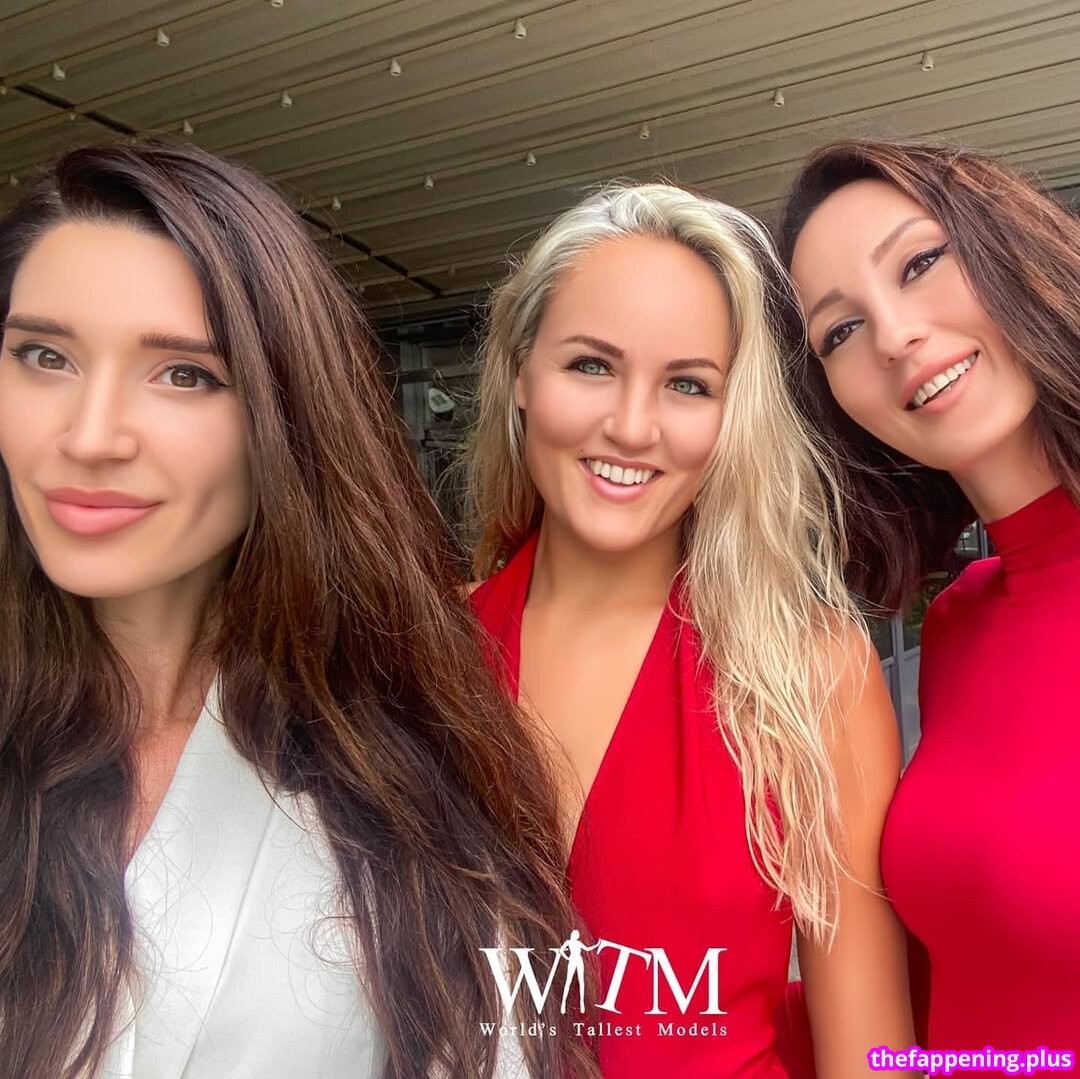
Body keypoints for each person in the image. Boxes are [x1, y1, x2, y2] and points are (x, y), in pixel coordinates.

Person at [0, 141, 599, 1079]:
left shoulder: (409, 773)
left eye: (184, 373)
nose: (89, 435)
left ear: (285, 417)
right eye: (45, 356)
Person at [466, 181, 916, 1077]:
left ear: (729, 416)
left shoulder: (812, 671)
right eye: (590, 365)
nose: (632, 427)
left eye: (686, 384)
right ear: (521, 373)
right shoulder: (416, 652)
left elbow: (870, 1052)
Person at [776, 138, 1080, 1052]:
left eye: (918, 264)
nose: (894, 335)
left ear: (1010, 245)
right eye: (840, 331)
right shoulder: (958, 623)